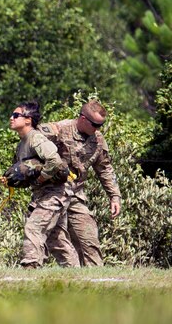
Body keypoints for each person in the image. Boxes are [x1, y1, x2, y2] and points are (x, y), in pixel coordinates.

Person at [41, 100, 122, 266]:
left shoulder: (98, 140)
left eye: (101, 125)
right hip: (52, 195)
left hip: (75, 195)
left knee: (89, 239)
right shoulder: (59, 129)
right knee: (55, 242)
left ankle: (97, 281)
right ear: (83, 119)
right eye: (94, 124)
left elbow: (105, 169)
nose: (98, 129)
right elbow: (30, 139)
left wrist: (114, 196)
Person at [4, 101, 71, 268]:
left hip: (54, 194)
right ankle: (76, 274)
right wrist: (10, 180)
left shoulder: (36, 138)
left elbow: (54, 161)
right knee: (57, 241)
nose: (11, 118)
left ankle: (30, 266)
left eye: (16, 115)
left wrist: (42, 178)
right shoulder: (21, 144)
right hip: (41, 195)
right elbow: (24, 172)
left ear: (28, 120)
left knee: (33, 228)